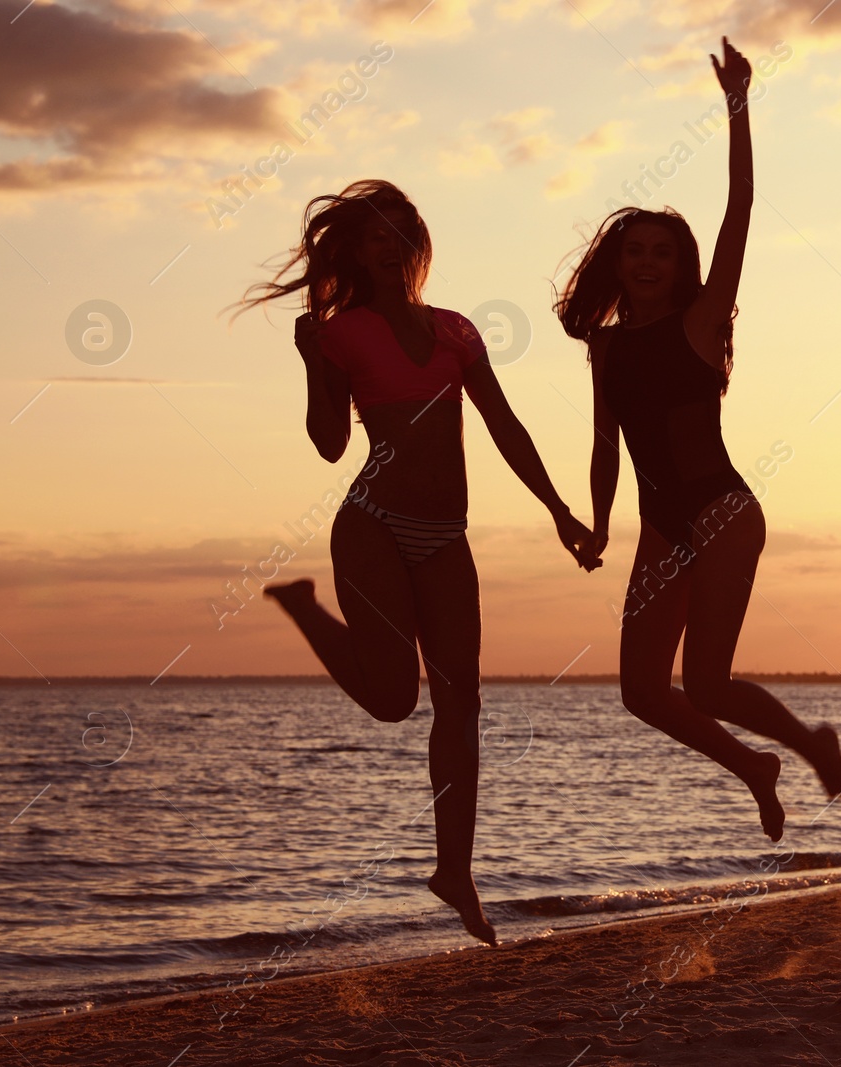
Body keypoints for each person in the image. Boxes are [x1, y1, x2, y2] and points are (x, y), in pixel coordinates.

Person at [232, 179, 596, 945]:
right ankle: (303, 608)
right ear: (356, 253)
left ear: (418, 244)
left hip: (446, 534)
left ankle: (453, 869)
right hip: (373, 524)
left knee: (462, 704)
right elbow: (331, 444)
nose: (392, 247)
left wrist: (560, 509)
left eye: (403, 233)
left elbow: (505, 425)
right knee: (396, 700)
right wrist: (307, 362)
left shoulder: (457, 331)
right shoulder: (340, 333)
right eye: (376, 236)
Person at [555, 39, 841, 842]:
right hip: (660, 525)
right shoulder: (607, 346)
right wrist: (599, 523)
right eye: (634, 251)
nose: (646, 262)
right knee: (643, 691)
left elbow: (742, 208)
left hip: (721, 511)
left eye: (661, 251)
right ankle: (753, 767)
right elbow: (605, 440)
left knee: (709, 682)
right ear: (617, 261)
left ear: (680, 264)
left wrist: (738, 104)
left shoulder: (700, 320)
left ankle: (804, 742)